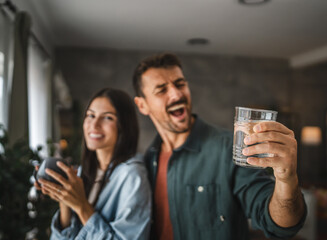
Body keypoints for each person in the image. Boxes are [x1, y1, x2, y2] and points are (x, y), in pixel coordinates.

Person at [132, 53, 306, 240]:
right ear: (142, 105)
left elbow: (279, 225)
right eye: (161, 90)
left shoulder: (230, 149)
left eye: (180, 84)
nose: (176, 94)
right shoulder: (149, 157)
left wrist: (287, 179)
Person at [35, 88, 152, 240]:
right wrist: (64, 200)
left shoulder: (133, 176)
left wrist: (81, 205)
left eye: (107, 118)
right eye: (90, 115)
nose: (94, 125)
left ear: (124, 125)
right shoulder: (85, 172)